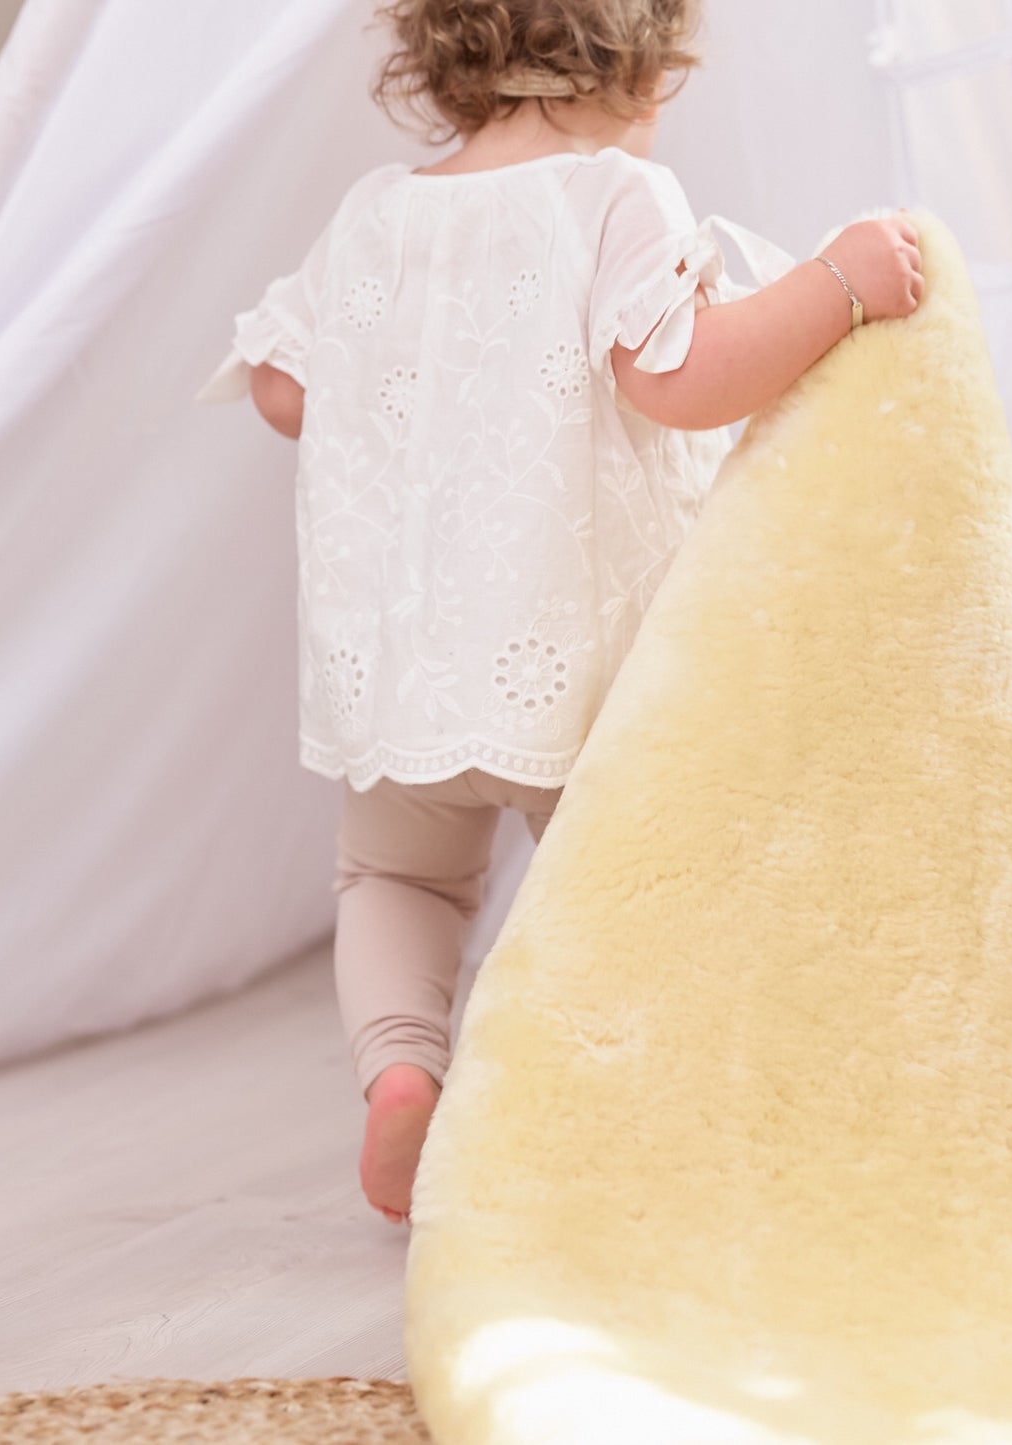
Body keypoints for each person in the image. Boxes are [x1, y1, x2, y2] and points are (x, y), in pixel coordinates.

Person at [195, 0, 923, 1227]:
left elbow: (279, 389)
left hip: (401, 671)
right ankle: (611, 1140)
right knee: (640, 895)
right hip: (574, 668)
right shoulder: (609, 199)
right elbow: (681, 376)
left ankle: (401, 1076)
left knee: (391, 880)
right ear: (637, 69)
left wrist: (409, 388)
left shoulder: (378, 213)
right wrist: (834, 287)